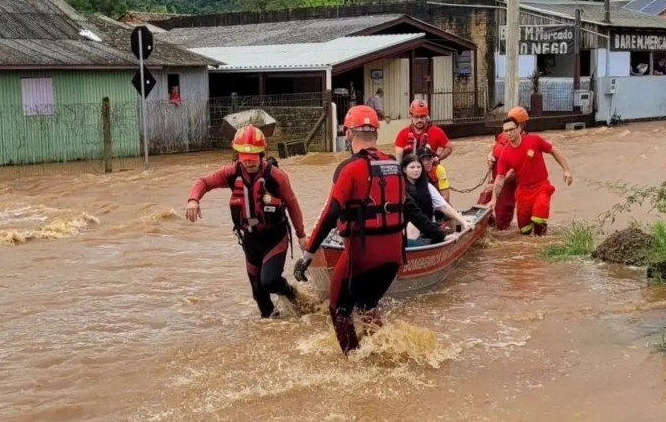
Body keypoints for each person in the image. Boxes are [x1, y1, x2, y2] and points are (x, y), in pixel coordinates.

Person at [294, 105, 445, 354]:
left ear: (349, 134)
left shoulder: (348, 168)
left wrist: (308, 256)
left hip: (362, 256)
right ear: (375, 133)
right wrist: (438, 233)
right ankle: (383, 352)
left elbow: (330, 214)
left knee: (339, 310)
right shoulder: (396, 167)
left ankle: (353, 363)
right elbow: (411, 210)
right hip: (393, 259)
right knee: (367, 304)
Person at [185, 124, 306, 318]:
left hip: (275, 236)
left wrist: (301, 235)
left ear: (262, 153)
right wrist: (193, 199)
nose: (249, 164)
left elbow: (292, 203)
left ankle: (292, 294)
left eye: (252, 159)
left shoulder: (276, 177)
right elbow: (203, 182)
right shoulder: (232, 173)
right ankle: (274, 329)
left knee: (269, 281)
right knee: (259, 293)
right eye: (244, 159)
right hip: (250, 240)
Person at [484, 117, 573, 236]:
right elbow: (500, 178)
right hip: (523, 191)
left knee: (539, 216)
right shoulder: (505, 153)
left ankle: (540, 245)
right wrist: (494, 199)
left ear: (519, 128)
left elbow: (553, 150)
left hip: (541, 187)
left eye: (512, 129)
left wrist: (567, 170)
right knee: (524, 229)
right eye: (506, 131)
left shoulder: (534, 140)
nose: (509, 133)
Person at [401, 153, 469, 244]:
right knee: (411, 226)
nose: (416, 170)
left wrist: (463, 221)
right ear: (404, 169)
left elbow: (443, 206)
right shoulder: (399, 188)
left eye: (418, 167)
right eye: (412, 167)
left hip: (430, 228)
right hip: (407, 230)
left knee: (456, 226)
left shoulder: (428, 187)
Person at [480, 106, 529, 231]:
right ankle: (482, 230)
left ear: (521, 125)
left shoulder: (526, 142)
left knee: (502, 220)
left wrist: (499, 183)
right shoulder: (502, 135)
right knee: (481, 207)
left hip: (508, 182)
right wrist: (489, 158)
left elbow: (515, 170)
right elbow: (493, 150)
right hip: (497, 177)